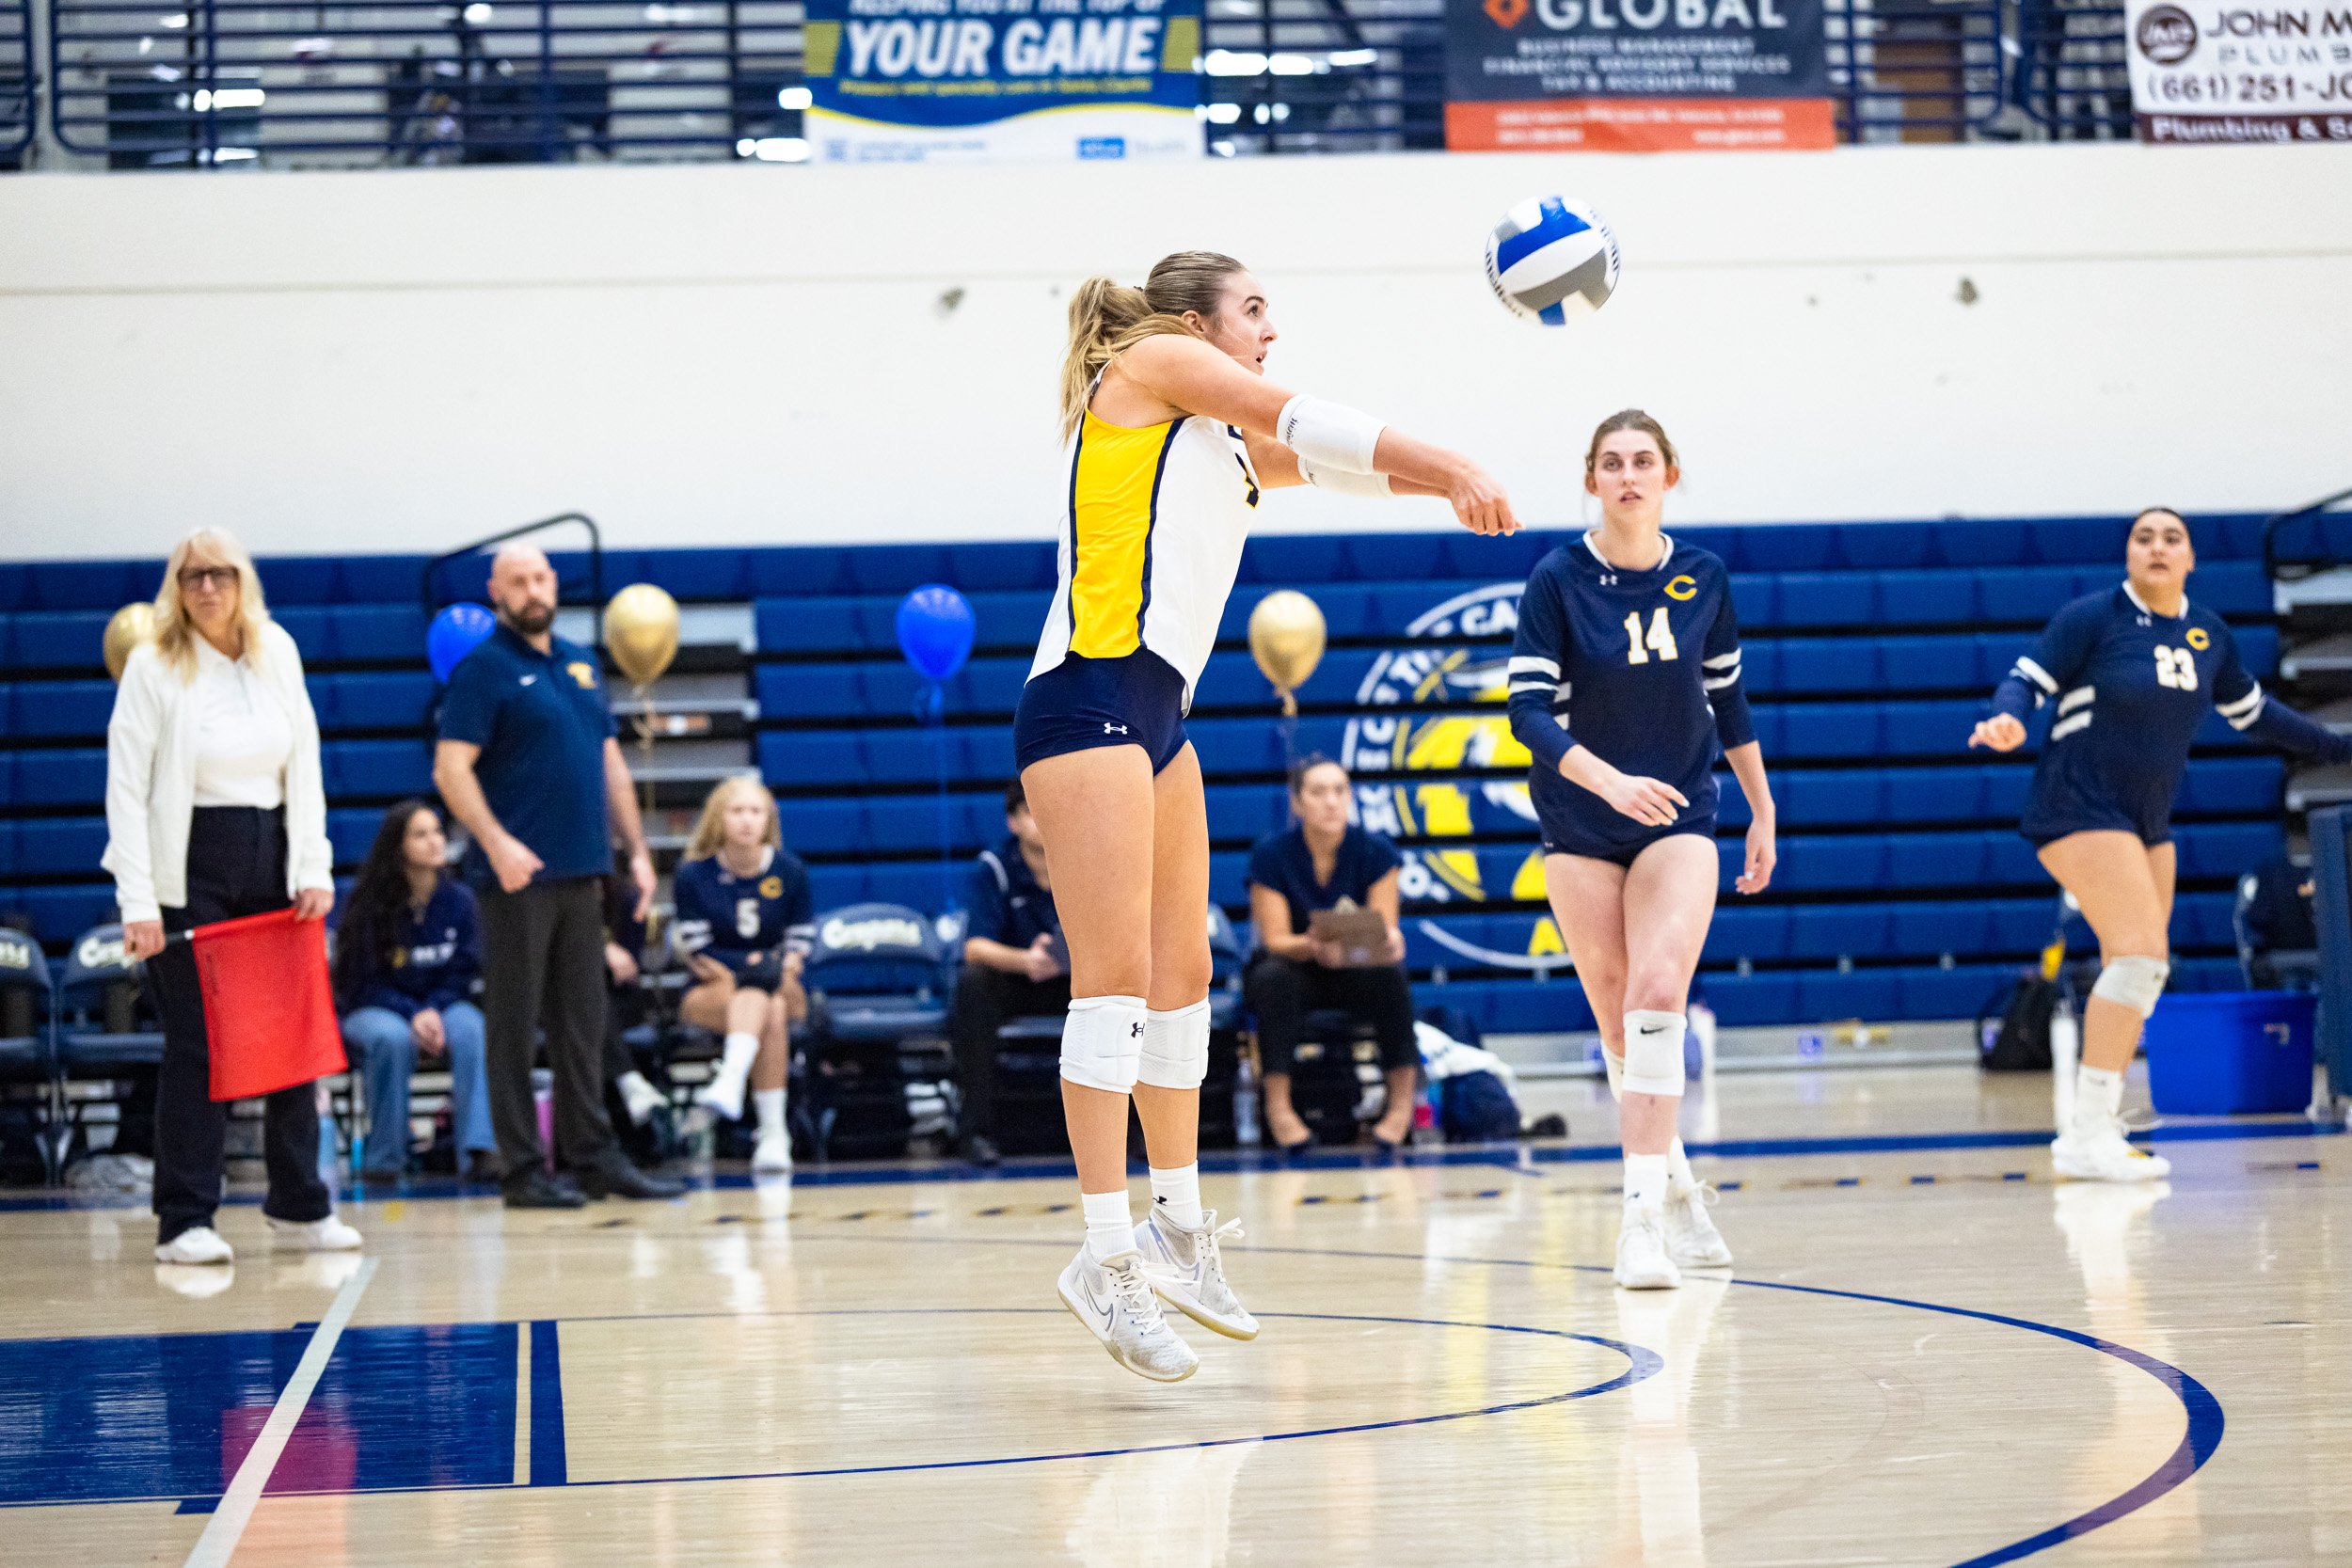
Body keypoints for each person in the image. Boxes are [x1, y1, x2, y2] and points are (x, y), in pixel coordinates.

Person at [1019, 251, 1518, 1380]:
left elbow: (1327, 461)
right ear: (1195, 324)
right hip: (1086, 701)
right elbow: (1295, 411)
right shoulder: (1151, 363)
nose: (1269, 328)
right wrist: (1452, 460)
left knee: (1183, 975)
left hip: (1159, 716)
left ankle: (1176, 1227)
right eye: (1253, 308)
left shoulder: (1211, 440)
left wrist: (1439, 489)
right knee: (1109, 988)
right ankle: (1103, 1254)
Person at [1971, 507, 2352, 1180]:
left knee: (2139, 968)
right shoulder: (2094, 618)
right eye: (2143, 537)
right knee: (2141, 956)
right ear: (2128, 554)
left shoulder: (2209, 635)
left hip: (2146, 821)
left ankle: (2098, 1125)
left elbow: (2256, 713)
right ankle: (2087, 1132)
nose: (2156, 546)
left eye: (2171, 538)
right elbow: (2025, 679)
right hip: (2077, 806)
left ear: (2190, 558)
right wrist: (2007, 717)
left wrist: (2337, 746)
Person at [1507, 410, 1772, 1292]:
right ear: (1591, 480)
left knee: (1660, 994)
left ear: (1669, 476)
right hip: (1581, 820)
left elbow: (1729, 701)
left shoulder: (1705, 575)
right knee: (1620, 1023)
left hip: (1679, 814)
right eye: (1612, 463)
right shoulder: (1557, 577)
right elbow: (1527, 712)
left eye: (1643, 461)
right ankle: (1680, 1190)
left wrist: (1763, 809)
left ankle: (1639, 1225)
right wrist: (1608, 781)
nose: (1628, 475)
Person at [103, 527, 362, 1265]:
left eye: (220, 573)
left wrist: (312, 863)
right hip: (187, 868)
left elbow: (305, 762)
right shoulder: (153, 664)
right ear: (176, 588)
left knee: (291, 1037)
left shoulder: (276, 649)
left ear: (243, 581)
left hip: (272, 859)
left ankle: (299, 1204)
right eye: (193, 576)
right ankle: (184, 1218)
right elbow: (125, 786)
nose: (208, 587)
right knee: (199, 1044)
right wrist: (138, 900)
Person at [433, 544, 683, 1208]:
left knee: (584, 1022)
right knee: (514, 1026)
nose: (534, 590)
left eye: (541, 578)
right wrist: (497, 843)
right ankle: (521, 1169)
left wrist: (637, 851)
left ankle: (594, 1156)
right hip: (516, 878)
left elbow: (610, 763)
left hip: (583, 871)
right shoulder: (483, 669)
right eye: (518, 581)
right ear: (496, 592)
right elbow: (450, 770)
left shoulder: (580, 661)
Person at [1243, 755, 1418, 1153]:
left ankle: (1401, 1106)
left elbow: (1385, 928)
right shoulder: (1270, 856)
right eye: (1318, 792)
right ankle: (1279, 1107)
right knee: (1272, 978)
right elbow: (1275, 939)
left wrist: (1389, 941)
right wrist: (1313, 946)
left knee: (1392, 975)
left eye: (1339, 791)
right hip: (1298, 968)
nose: (1331, 802)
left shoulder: (1377, 852)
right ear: (1297, 802)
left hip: (1357, 969)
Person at [332, 800, 497, 1181]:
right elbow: (361, 982)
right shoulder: (369, 904)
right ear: (398, 846)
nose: (435, 841)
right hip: (376, 1006)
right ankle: (385, 1158)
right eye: (421, 835)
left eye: (437, 832)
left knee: (471, 1029)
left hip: (442, 1005)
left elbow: (464, 973)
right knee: (391, 1039)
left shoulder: (461, 901)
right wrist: (413, 1013)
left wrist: (433, 1009)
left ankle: (477, 1151)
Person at [670, 774, 812, 1174]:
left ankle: (731, 1081)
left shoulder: (790, 871)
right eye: (737, 811)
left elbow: (799, 947)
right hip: (713, 991)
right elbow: (700, 954)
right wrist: (756, 966)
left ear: (768, 819)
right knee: (769, 1010)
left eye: (755, 811)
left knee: (770, 995)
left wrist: (763, 968)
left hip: (780, 983)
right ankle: (773, 1136)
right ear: (719, 818)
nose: (747, 820)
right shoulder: (693, 875)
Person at [947, 779, 1068, 1168]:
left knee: (1126, 989)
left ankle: (1135, 1131)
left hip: (1075, 980)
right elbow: (975, 947)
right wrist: (1027, 961)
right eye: (1031, 811)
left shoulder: (1085, 860)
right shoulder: (995, 868)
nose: (1043, 819)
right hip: (1017, 981)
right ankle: (976, 1132)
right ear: (1013, 822)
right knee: (973, 984)